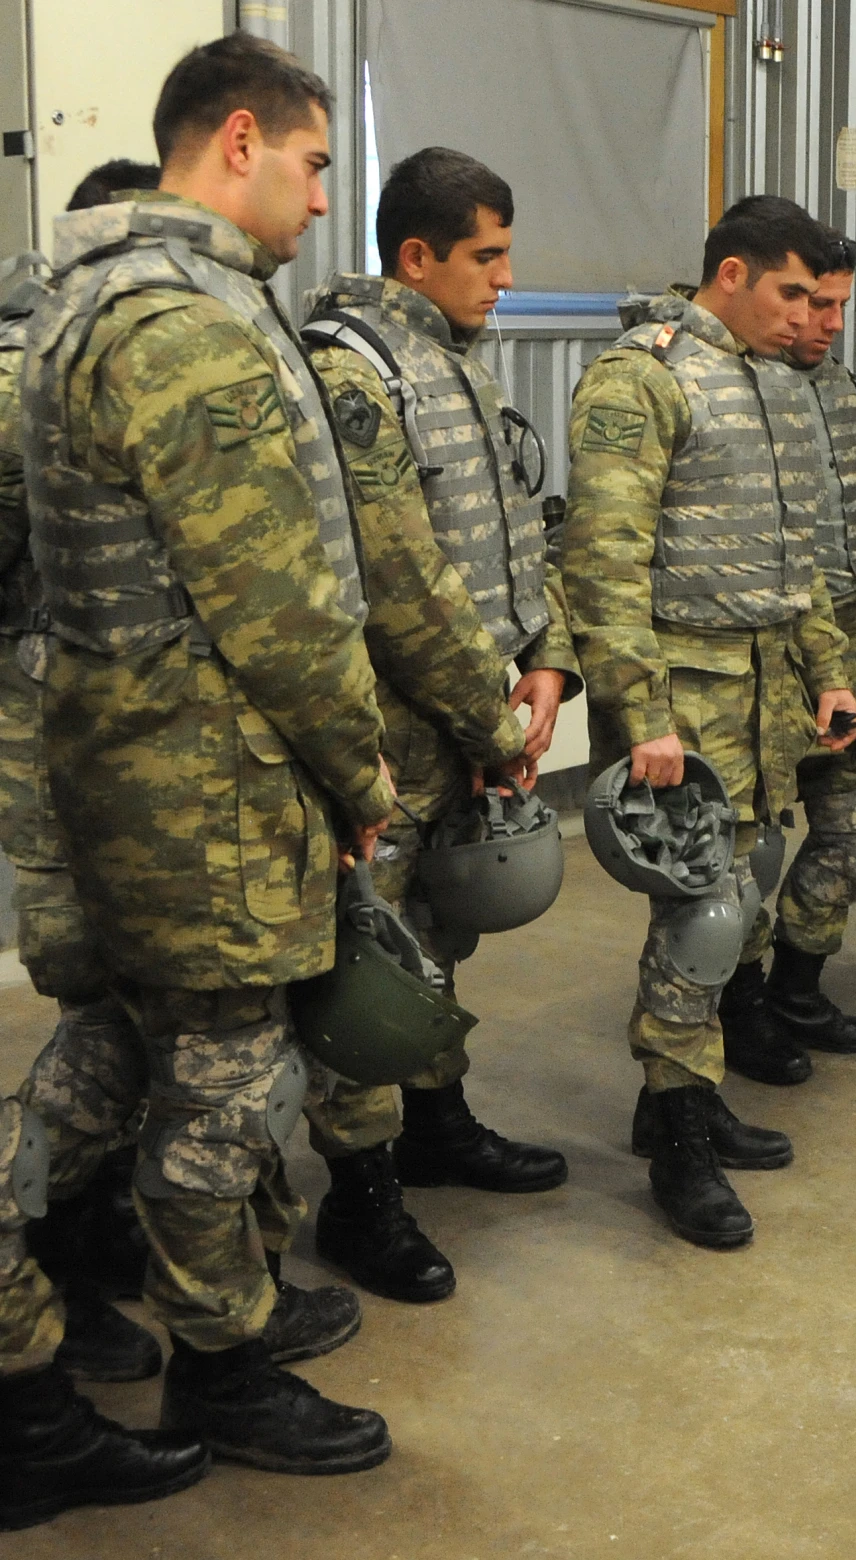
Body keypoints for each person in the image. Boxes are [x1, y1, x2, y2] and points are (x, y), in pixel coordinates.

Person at [20, 35, 397, 1471]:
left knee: (125, 1045)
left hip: (131, 767)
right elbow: (279, 603)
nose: (318, 202)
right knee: (228, 1085)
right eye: (310, 165)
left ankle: (51, 1292)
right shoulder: (186, 326)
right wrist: (360, 778)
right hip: (205, 786)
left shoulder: (86, 297)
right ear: (239, 141)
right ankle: (220, 1369)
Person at [292, 146, 581, 1302]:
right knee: (373, 957)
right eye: (487, 257)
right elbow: (402, 585)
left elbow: (516, 528)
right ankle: (361, 1203)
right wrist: (490, 718)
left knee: (440, 937)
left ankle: (437, 1125)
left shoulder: (461, 363)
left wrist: (549, 657)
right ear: (416, 257)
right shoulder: (356, 375)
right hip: (394, 731)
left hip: (471, 716)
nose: (506, 280)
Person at [564, 195, 856, 1249]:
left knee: (744, 893)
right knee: (703, 916)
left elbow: (800, 549)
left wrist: (827, 667)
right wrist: (640, 712)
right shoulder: (640, 377)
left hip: (766, 680)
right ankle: (679, 1144)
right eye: (790, 293)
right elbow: (602, 562)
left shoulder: (775, 381)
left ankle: (679, 1098)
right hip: (684, 694)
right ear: (729, 274)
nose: (806, 316)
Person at [0, 160, 216, 1531]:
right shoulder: (51, 367)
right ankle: (35, 1372)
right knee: (105, 998)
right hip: (68, 733)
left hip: (123, 733)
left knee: (129, 1012)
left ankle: (77, 1261)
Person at [758, 216, 856, 1054]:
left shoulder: (836, 387)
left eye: (839, 305)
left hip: (848, 661)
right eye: (814, 303)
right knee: (746, 858)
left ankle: (796, 988)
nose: (829, 323)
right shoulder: (728, 385)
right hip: (762, 667)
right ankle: (736, 1016)